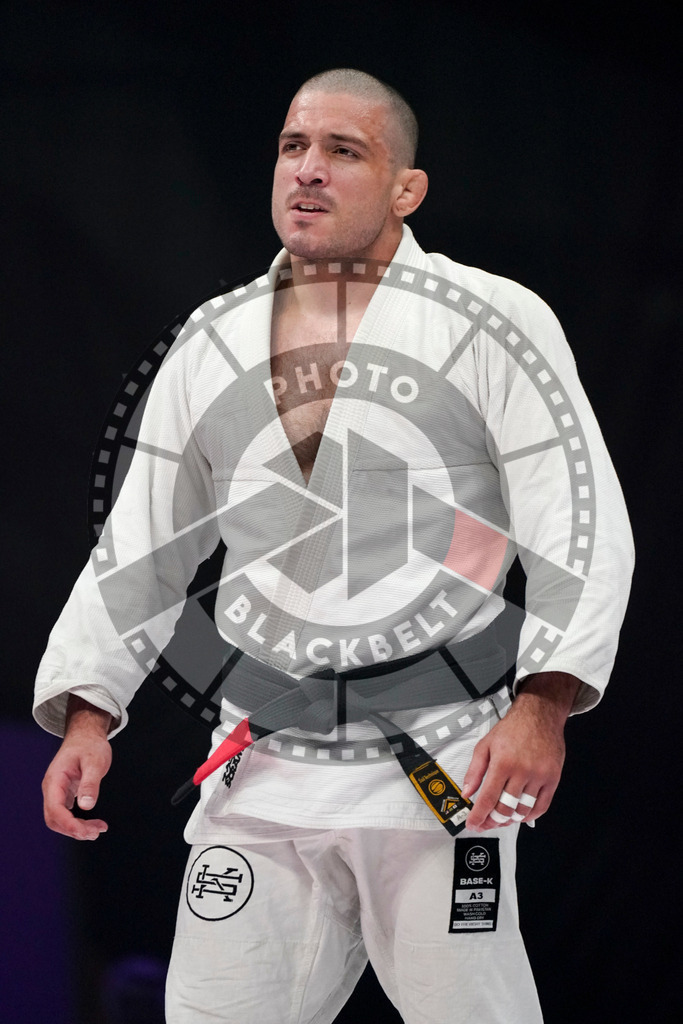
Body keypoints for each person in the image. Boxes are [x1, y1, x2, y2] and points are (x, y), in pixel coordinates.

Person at [36, 69, 634, 1023]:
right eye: (291, 147)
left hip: (442, 766)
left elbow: (578, 517)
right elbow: (140, 541)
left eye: (342, 152)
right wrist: (88, 709)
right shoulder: (212, 339)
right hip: (263, 766)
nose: (307, 171)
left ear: (407, 188)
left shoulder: (494, 319)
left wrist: (545, 702)